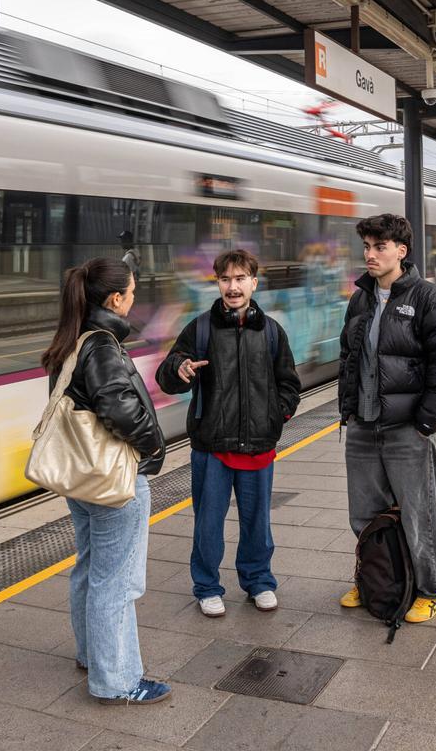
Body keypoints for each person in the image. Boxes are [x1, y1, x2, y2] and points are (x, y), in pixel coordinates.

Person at [39, 258, 170, 705]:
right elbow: (120, 410)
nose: (134, 299)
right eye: (132, 292)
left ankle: (92, 655)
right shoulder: (102, 346)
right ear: (115, 299)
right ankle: (118, 680)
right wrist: (153, 446)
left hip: (82, 477)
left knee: (90, 568)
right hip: (114, 480)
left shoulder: (71, 340)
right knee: (116, 582)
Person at [155, 249, 301, 617]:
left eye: (240, 279)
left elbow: (289, 383)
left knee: (257, 522)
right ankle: (207, 586)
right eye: (225, 279)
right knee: (208, 523)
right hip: (212, 446)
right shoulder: (200, 328)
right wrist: (179, 369)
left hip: (257, 445)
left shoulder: (271, 332)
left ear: (254, 282)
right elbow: (167, 374)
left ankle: (259, 581)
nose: (232, 287)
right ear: (217, 283)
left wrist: (275, 416)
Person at [337, 214, 436, 624]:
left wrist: (424, 423)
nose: (370, 255)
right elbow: (349, 358)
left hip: (405, 428)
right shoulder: (361, 298)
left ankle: (431, 590)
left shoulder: (429, 298)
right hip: (363, 423)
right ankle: (375, 579)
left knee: (418, 514)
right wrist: (349, 410)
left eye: (379, 247)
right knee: (365, 513)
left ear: (401, 251)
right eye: (367, 247)